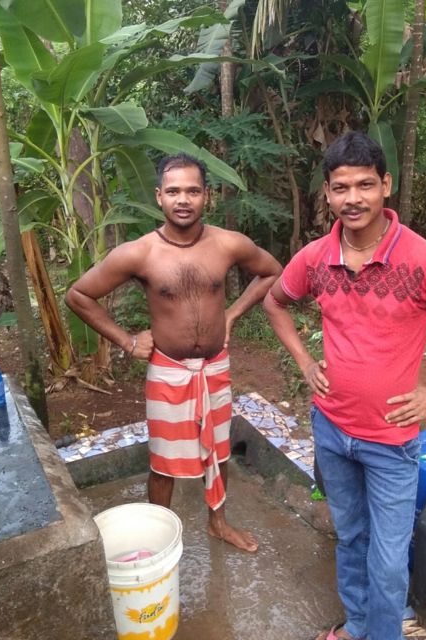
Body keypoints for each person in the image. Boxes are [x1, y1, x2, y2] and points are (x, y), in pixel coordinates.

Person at [263, 132, 426, 639]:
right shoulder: (315, 257)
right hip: (331, 428)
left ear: (386, 185)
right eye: (340, 188)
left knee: (386, 557)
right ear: (327, 194)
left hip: (390, 441)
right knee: (351, 538)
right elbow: (274, 302)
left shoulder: (424, 261)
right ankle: (359, 623)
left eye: (364, 185)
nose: (352, 198)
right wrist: (305, 362)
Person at [66, 153, 282, 553]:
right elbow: (79, 295)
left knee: (218, 450)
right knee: (163, 461)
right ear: (159, 196)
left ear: (207, 196)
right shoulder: (140, 253)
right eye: (174, 191)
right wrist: (128, 341)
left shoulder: (228, 243)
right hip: (167, 371)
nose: (183, 199)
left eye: (193, 191)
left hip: (215, 369)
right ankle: (156, 536)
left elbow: (271, 271)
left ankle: (218, 522)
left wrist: (232, 314)